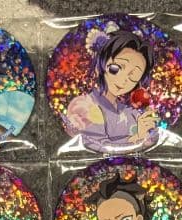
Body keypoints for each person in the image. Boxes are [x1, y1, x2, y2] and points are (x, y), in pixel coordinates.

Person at [64, 24, 159, 152]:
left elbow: (151, 140)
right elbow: (96, 145)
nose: (123, 80)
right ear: (99, 66)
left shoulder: (130, 113)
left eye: (133, 76)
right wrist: (137, 137)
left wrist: (148, 131)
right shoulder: (83, 107)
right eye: (116, 68)